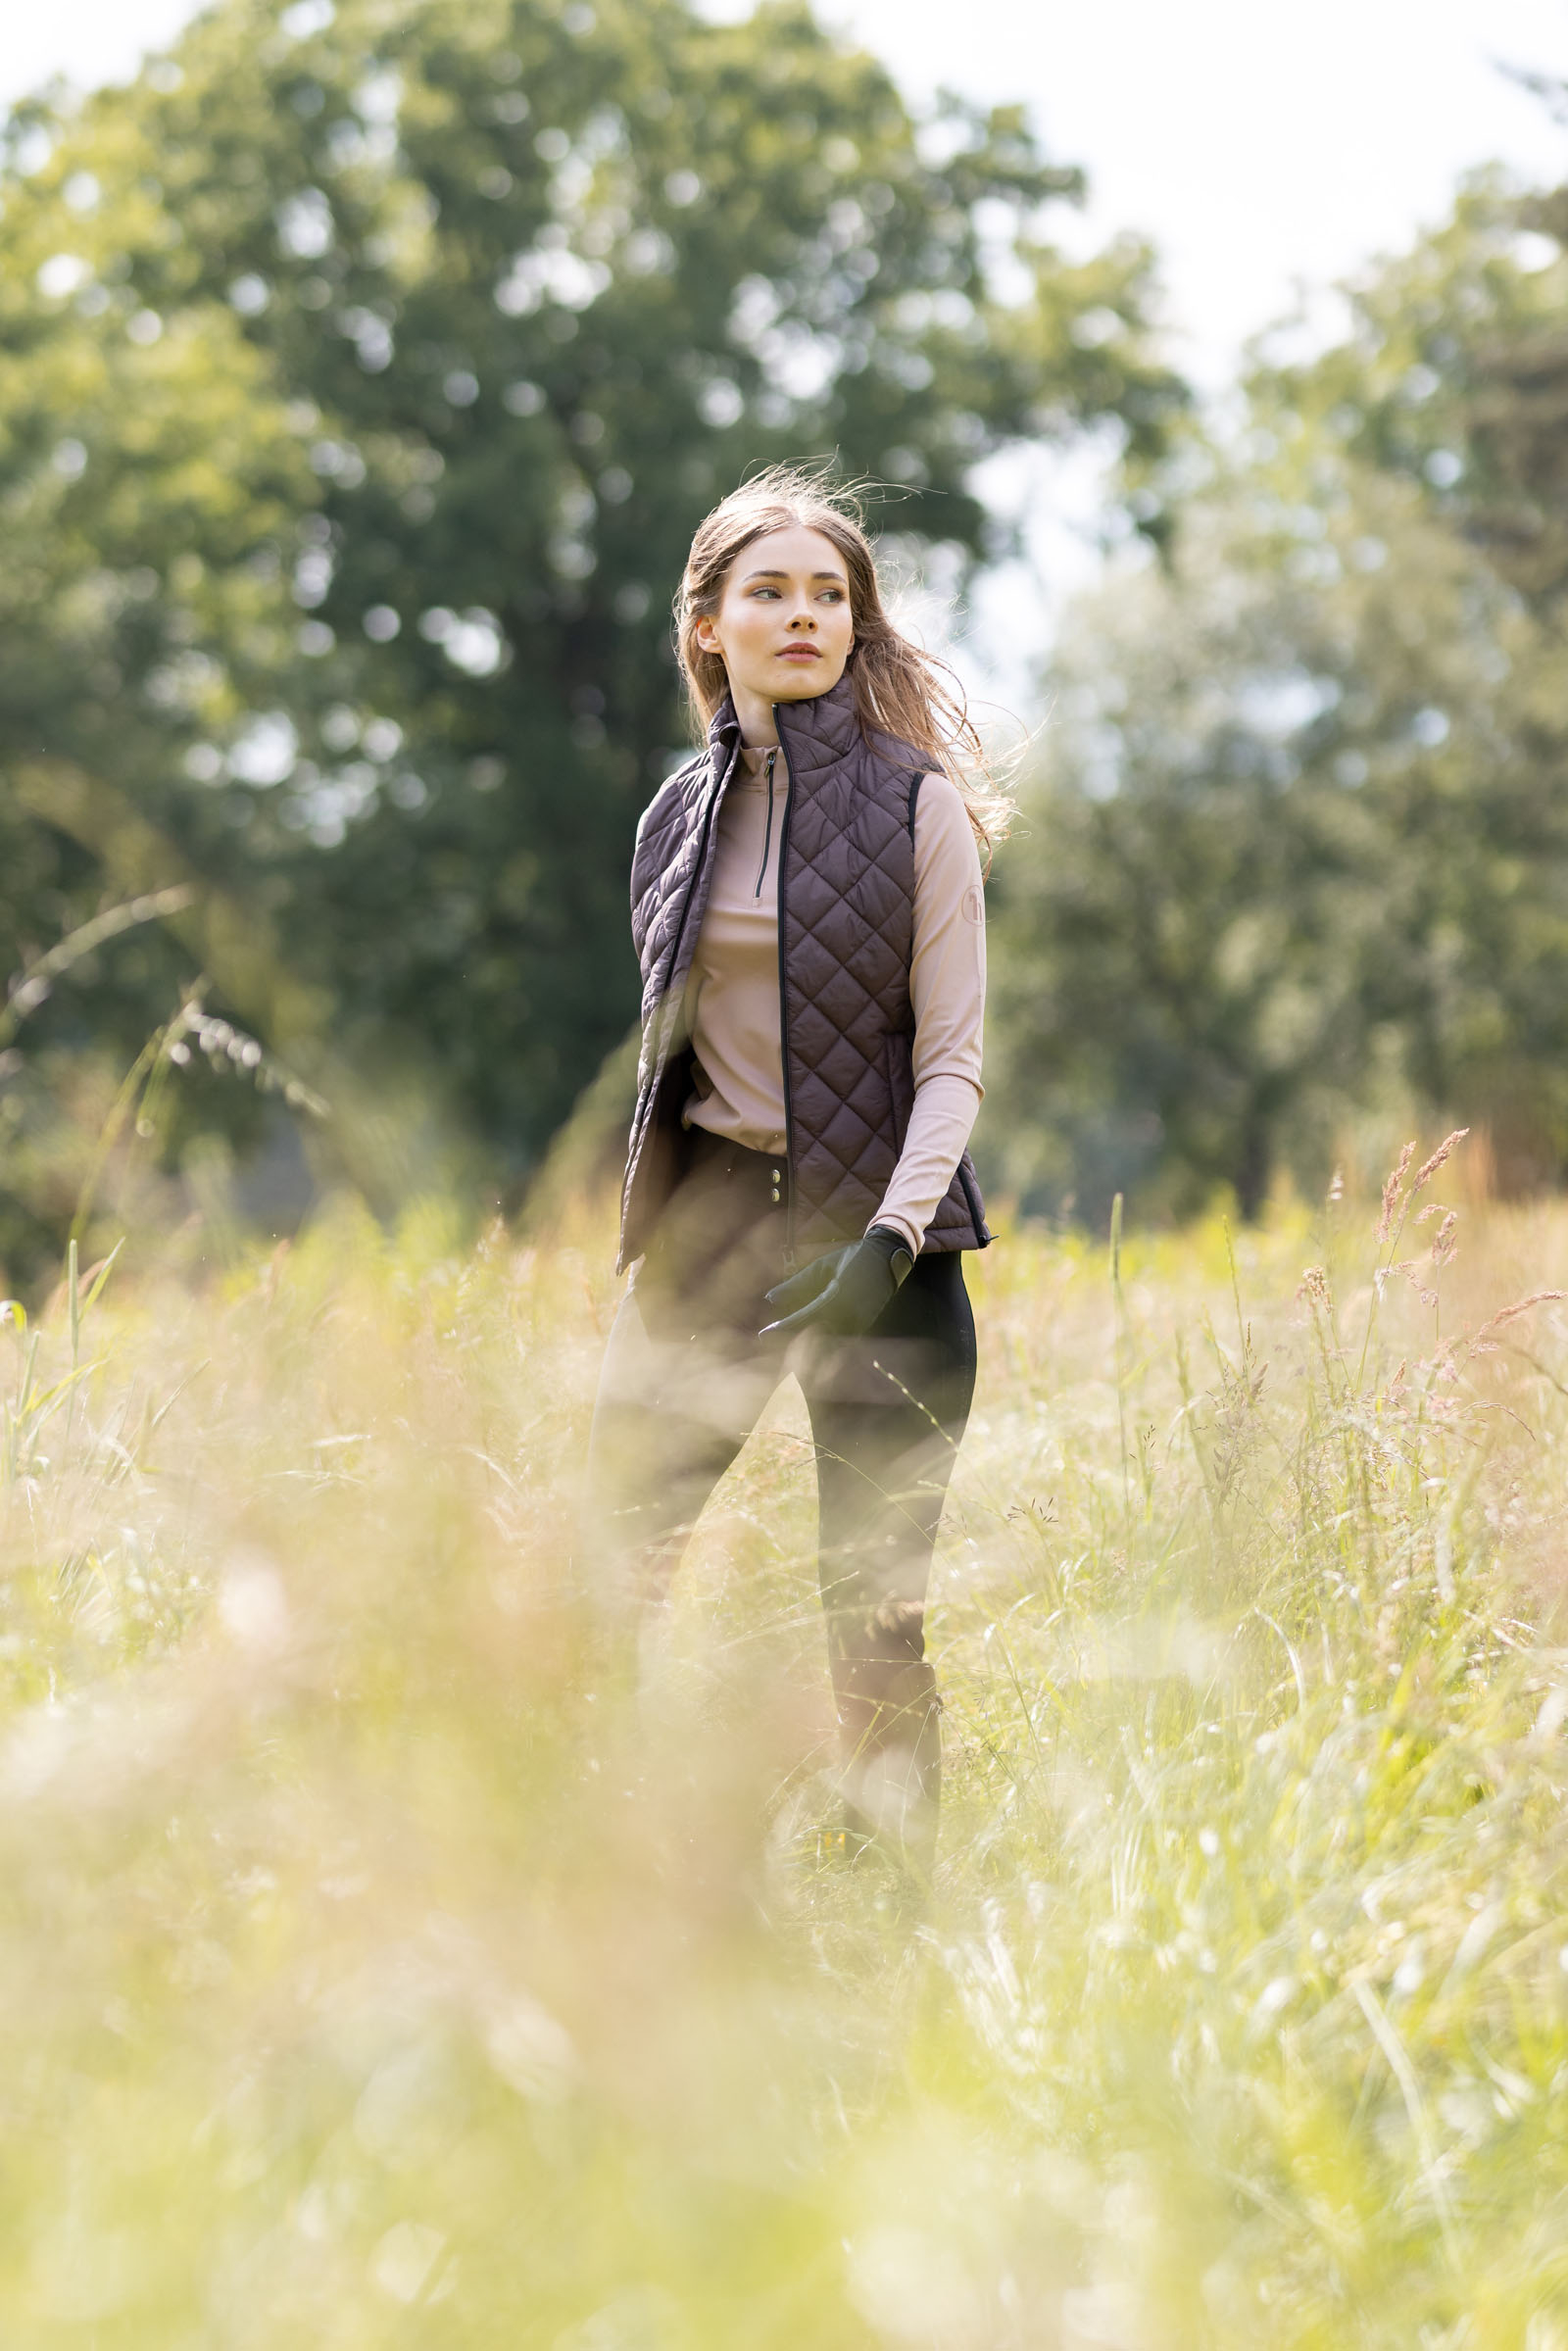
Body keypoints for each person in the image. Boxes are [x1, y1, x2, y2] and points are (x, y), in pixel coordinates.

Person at [587, 465, 1006, 1877]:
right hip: (710, 1244)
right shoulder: (668, 821)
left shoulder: (916, 810)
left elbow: (952, 1061)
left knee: (870, 1618)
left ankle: (895, 1925)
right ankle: (612, 1873)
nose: (805, 615)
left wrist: (888, 1242)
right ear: (708, 623)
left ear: (857, 624)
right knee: (607, 1573)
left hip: (882, 1263)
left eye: (831, 594)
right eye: (770, 590)